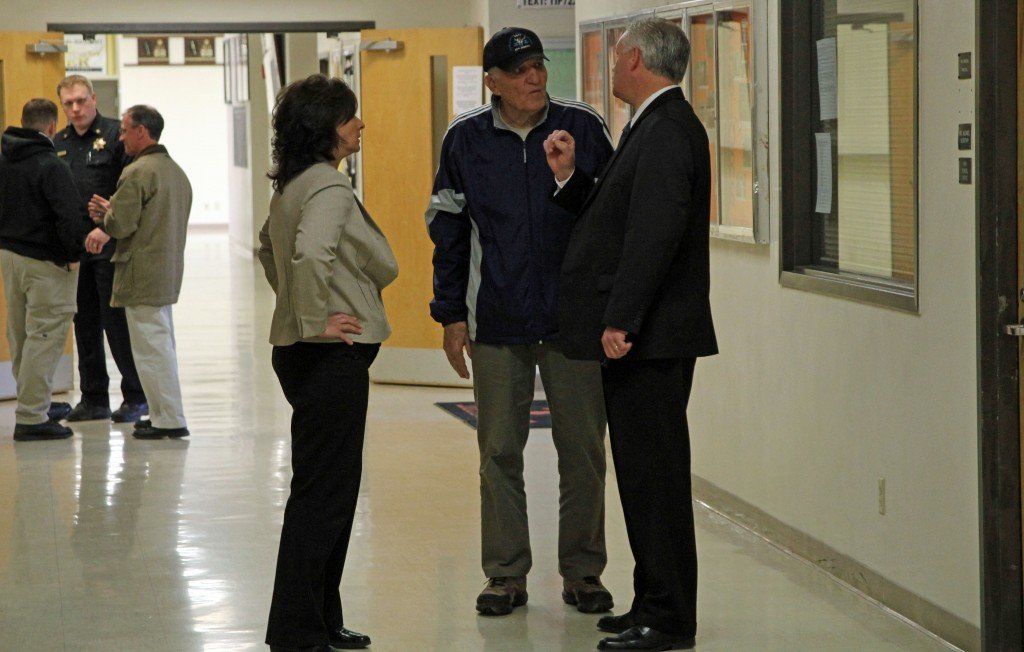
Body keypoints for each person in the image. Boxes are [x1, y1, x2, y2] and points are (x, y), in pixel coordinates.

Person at [427, 26, 616, 617]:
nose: (535, 77)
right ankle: (505, 574)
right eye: (520, 69)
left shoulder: (582, 127)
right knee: (499, 451)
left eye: (538, 65)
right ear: (493, 82)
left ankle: (583, 572)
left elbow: (611, 214)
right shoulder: (465, 140)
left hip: (573, 322)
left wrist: (568, 176)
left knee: (582, 450)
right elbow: (449, 233)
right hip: (498, 320)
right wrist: (451, 315)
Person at [544, 17, 718, 651]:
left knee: (657, 478)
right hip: (645, 334)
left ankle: (668, 620)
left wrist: (622, 319)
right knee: (641, 475)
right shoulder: (651, 124)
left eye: (617, 56)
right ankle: (651, 600)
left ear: (638, 59)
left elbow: (655, 234)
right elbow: (622, 215)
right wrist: (571, 179)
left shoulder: (669, 129)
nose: (611, 66)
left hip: (652, 338)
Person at [257, 74, 398, 652]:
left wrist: (293, 309)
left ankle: (320, 617)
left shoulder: (294, 184)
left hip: (304, 357)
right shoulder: (329, 188)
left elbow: (268, 247)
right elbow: (310, 252)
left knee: (327, 490)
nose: (360, 125)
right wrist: (313, 318)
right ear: (329, 129)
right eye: (351, 117)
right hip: (328, 359)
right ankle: (298, 630)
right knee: (325, 495)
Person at [86, 105, 192, 441]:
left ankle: (169, 419)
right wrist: (115, 209)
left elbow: (122, 224)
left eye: (125, 130)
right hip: (164, 269)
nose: (121, 137)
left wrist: (105, 216)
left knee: (150, 350)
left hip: (141, 272)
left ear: (142, 132)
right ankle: (163, 414)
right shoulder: (174, 171)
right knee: (160, 345)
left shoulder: (136, 172)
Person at [0, 99, 100, 441]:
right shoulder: (50, 165)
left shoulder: (4, 159)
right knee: (45, 337)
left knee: (23, 335)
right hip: (47, 263)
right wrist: (74, 254)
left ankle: (35, 402)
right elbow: (68, 216)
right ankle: (31, 417)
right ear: (51, 128)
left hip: (10, 257)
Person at [55, 74, 148, 424]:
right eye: (69, 103)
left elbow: (128, 190)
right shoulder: (59, 142)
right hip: (77, 249)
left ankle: (136, 396)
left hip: (110, 245)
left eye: (81, 100)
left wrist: (107, 228)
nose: (76, 108)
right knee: (85, 324)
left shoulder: (113, 136)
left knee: (116, 323)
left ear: (93, 98)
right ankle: (93, 397)